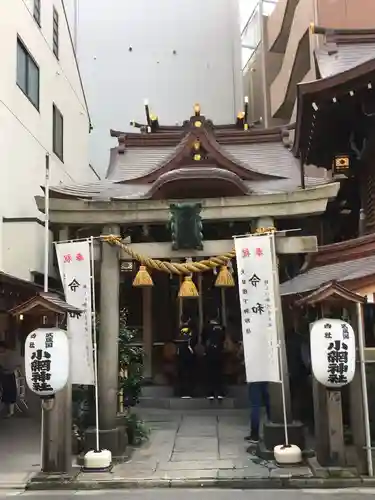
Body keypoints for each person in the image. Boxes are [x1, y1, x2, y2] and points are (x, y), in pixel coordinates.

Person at [202, 317, 226, 399]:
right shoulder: (221, 327)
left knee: (210, 374)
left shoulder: (206, 328)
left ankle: (210, 393)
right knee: (219, 373)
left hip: (209, 353)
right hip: (219, 353)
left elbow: (203, 340)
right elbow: (223, 338)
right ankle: (220, 392)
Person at [175, 316, 197, 398]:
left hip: (180, 353)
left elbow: (176, 340)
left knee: (182, 373)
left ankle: (182, 392)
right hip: (189, 353)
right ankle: (189, 392)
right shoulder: (191, 330)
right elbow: (194, 340)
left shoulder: (178, 329)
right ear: (189, 319)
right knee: (189, 372)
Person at [0, 342, 19, 418]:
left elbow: (14, 364)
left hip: (9, 375)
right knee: (3, 392)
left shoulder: (10, 354)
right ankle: (5, 409)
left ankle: (11, 411)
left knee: (10, 392)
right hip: (2, 375)